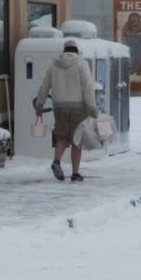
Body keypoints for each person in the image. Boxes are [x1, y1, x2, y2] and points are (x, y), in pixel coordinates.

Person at [34, 40, 98, 181]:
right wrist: (93, 108)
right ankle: (75, 173)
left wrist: (39, 105)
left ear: (64, 51)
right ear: (76, 51)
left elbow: (44, 86)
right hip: (78, 107)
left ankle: (56, 161)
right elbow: (87, 87)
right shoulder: (82, 64)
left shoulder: (54, 65)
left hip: (59, 107)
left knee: (62, 137)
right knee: (77, 140)